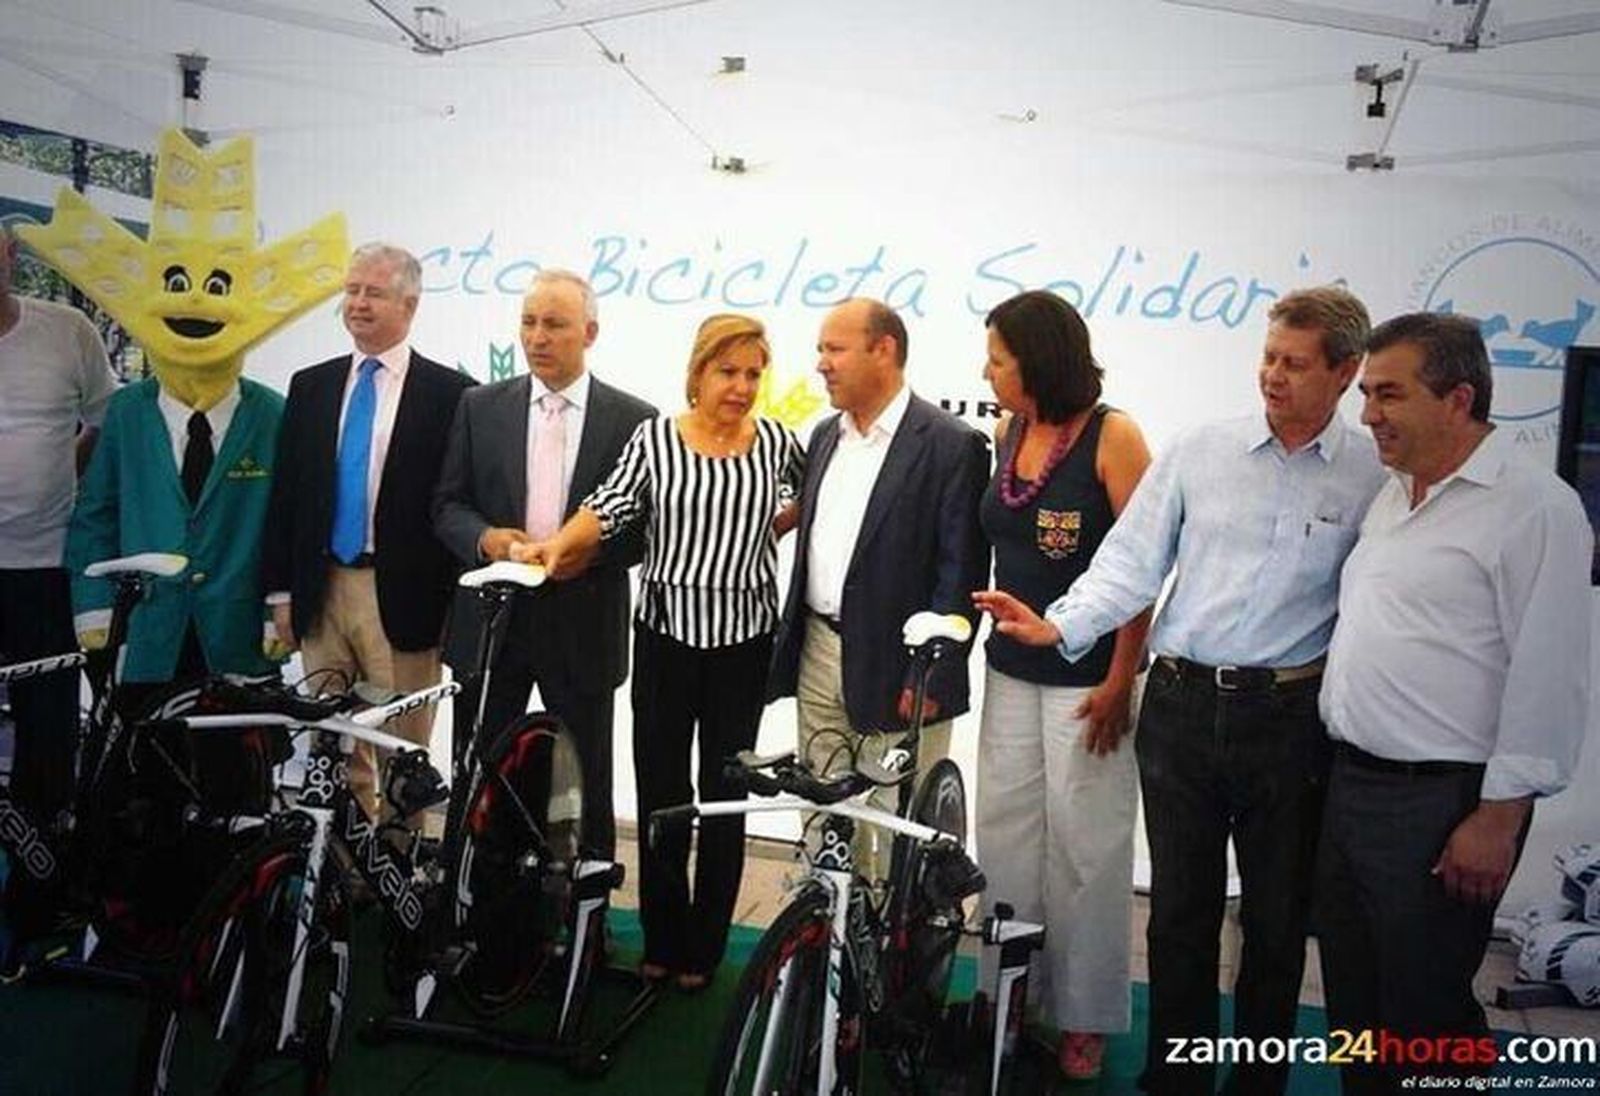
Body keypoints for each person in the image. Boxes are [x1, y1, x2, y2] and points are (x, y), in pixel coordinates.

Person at [975, 286, 1384, 1096]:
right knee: (1178, 916)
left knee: (1273, 923)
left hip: (1291, 719)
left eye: (1295, 364)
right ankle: (1178, 1075)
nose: (1272, 376)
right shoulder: (1202, 451)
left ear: (1345, 373)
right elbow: (1129, 561)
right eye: (1268, 356)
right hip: (1185, 710)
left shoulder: (1377, 474)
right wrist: (1063, 627)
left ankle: (1256, 1083)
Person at [1315, 313, 1590, 1095]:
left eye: (1388, 394)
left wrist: (1497, 819)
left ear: (1458, 398)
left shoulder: (1535, 507)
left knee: (1428, 1019)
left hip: (1443, 804)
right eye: (1367, 393)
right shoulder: (1394, 492)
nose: (1367, 413)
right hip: (1354, 787)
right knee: (1357, 1013)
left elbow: (1551, 675)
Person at [526, 313, 803, 990]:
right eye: (728, 371)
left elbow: (807, 498)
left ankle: (704, 950)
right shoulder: (654, 439)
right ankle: (662, 937)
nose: (741, 387)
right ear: (698, 373)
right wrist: (558, 547)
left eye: (753, 375)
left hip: (743, 646)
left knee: (723, 796)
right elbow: (611, 505)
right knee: (662, 794)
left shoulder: (778, 444)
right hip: (664, 641)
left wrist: (765, 528)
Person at [974, 290, 1152, 1081]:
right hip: (1010, 672)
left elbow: (1143, 572)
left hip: (1089, 682)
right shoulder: (1011, 429)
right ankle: (1008, 995)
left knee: (1087, 849)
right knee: (1008, 841)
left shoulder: (1115, 437)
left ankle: (1083, 1015)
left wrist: (1122, 677)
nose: (986, 371)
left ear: (1038, 359)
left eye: (998, 358)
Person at [433, 269, 654, 861]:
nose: (537, 337)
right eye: (528, 323)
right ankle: (470, 904)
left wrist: (587, 552)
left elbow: (642, 531)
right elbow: (447, 506)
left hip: (583, 625)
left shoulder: (635, 420)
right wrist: (489, 542)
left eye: (554, 325)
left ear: (590, 332)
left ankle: (589, 915)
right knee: (478, 773)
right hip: (491, 625)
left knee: (587, 780)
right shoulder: (480, 407)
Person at [768, 297, 989, 880]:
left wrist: (935, 672)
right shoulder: (822, 437)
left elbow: (960, 571)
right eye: (820, 349)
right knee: (821, 808)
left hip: (902, 666)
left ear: (884, 350)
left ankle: (889, 956)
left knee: (894, 824)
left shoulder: (949, 445)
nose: (821, 363)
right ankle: (820, 944)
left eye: (834, 349)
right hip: (818, 649)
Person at [262, 243, 474, 819]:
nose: (357, 303)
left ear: (409, 303)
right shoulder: (312, 386)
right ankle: (341, 875)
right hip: (321, 588)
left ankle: (400, 872)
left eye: (373, 292)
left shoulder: (453, 395)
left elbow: (457, 505)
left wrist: (456, 606)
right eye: (351, 290)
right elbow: (286, 496)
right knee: (330, 744)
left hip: (402, 599)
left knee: (402, 752)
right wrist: (280, 592)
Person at [0, 223, 115, 826]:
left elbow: (103, 421)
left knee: (46, 723)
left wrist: (64, 478)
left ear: (11, 256)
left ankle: (41, 864)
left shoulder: (68, 331)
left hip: (46, 563)